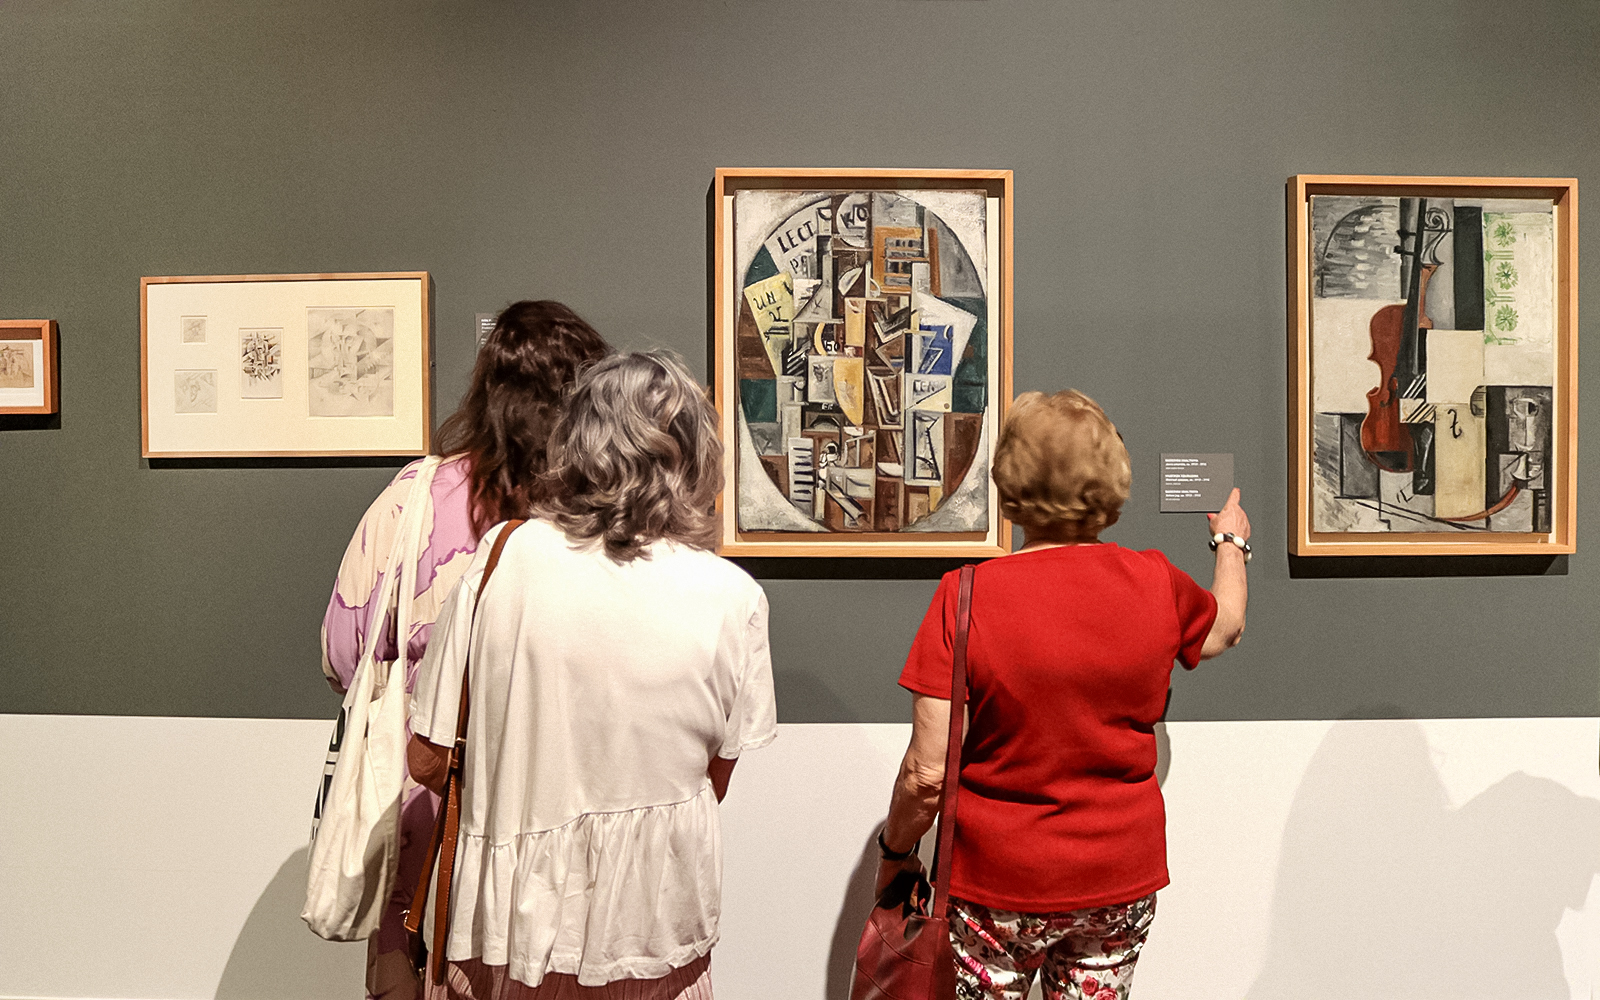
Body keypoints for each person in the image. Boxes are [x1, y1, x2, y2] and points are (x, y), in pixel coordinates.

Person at [407, 351, 777, 1000]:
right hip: (655, 942)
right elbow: (717, 778)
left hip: (506, 937)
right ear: (692, 456)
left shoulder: (503, 558)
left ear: (574, 446)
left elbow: (428, 757)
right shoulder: (731, 597)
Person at [874, 390, 1250, 1000]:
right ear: (1111, 474)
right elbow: (1225, 627)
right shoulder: (1156, 581)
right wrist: (1230, 541)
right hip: (1115, 881)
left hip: (995, 885)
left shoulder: (965, 596)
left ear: (1010, 479)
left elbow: (925, 773)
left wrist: (894, 850)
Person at [320, 300, 609, 1000]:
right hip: (563, 822)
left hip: (428, 821)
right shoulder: (600, 518)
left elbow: (339, 654)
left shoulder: (411, 500)